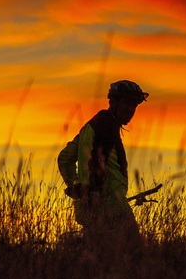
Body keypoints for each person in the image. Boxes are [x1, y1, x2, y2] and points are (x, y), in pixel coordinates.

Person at [57, 80, 149, 256]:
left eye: (134, 106)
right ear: (113, 102)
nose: (130, 110)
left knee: (101, 260)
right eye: (126, 103)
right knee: (135, 256)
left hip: (89, 208)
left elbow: (64, 158)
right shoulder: (107, 125)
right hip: (111, 207)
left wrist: (77, 186)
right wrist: (95, 194)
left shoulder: (91, 126)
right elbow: (98, 163)